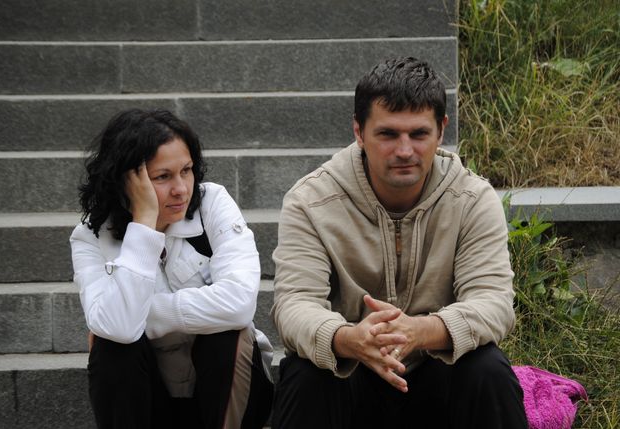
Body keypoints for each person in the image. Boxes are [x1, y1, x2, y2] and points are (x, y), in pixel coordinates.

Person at [271, 57, 528, 428]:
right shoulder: (310, 201)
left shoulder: (472, 198)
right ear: (359, 132)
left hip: (436, 371)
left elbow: (493, 302)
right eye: (388, 134)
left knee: (487, 369)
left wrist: (418, 332)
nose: (405, 150)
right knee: (305, 374)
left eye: (419, 134)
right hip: (351, 373)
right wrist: (349, 338)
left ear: (441, 130)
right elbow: (294, 305)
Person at [70, 108, 273, 429]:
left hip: (227, 392)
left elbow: (238, 305)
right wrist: (143, 224)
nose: (181, 189)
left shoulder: (212, 203)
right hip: (151, 395)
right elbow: (119, 330)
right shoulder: (90, 236)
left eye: (187, 170)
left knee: (228, 335)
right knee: (111, 345)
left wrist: (142, 314)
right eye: (163, 177)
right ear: (126, 181)